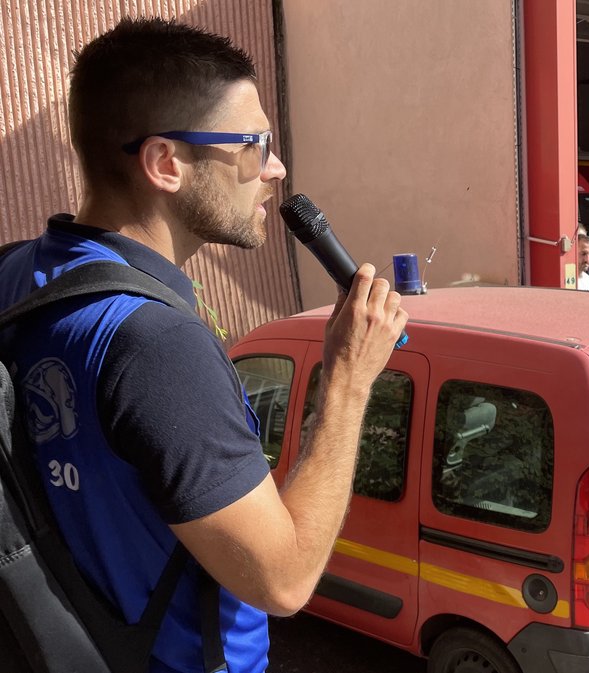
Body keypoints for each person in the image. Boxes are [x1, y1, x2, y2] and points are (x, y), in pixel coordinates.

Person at [0, 18, 408, 673]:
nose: (275, 170)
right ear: (166, 163)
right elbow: (283, 579)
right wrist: (350, 378)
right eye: (253, 146)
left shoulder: (19, 273)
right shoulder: (158, 347)